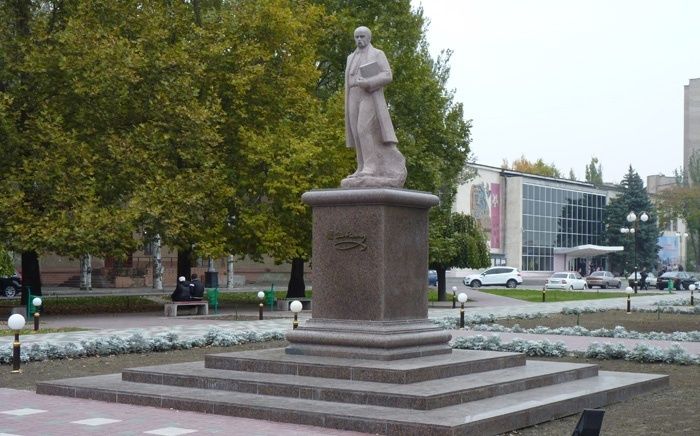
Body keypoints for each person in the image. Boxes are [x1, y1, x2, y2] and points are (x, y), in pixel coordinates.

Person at [341, 26, 406, 188]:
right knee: (356, 132)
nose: (359, 40)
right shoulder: (351, 57)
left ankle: (371, 166)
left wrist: (369, 82)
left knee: (363, 128)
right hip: (353, 95)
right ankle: (361, 166)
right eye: (356, 37)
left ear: (369, 38)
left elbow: (387, 75)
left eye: (362, 36)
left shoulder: (377, 54)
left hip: (369, 94)